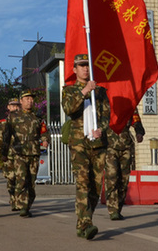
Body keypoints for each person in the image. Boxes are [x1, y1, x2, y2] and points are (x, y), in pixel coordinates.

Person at [61, 54, 110, 240]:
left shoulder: (101, 91)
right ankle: (87, 223)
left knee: (95, 187)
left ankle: (83, 222)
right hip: (79, 143)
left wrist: (101, 130)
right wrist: (84, 91)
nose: (85, 69)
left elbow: (106, 115)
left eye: (88, 65)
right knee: (83, 182)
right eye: (81, 66)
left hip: (97, 144)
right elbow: (69, 109)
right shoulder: (69, 91)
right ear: (74, 69)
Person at [0, 90, 49, 217]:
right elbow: (6, 136)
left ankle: (27, 204)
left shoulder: (37, 118)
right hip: (19, 153)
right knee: (21, 179)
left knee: (31, 181)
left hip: (34, 153)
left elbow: (45, 132)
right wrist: (3, 154)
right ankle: (22, 206)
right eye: (27, 98)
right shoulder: (13, 117)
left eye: (31, 99)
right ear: (21, 101)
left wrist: (45, 140)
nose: (30, 101)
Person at [104, 109, 145, 220]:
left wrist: (139, 132)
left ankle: (118, 207)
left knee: (124, 179)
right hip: (110, 146)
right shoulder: (106, 103)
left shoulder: (129, 104)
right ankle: (113, 209)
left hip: (126, 146)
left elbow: (136, 120)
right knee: (112, 177)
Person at [0, 97, 21, 211]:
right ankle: (13, 198)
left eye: (17, 105)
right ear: (8, 107)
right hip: (8, 156)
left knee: (21, 179)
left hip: (21, 155)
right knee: (11, 179)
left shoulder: (24, 121)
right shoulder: (4, 123)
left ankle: (20, 202)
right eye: (13, 105)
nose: (15, 107)